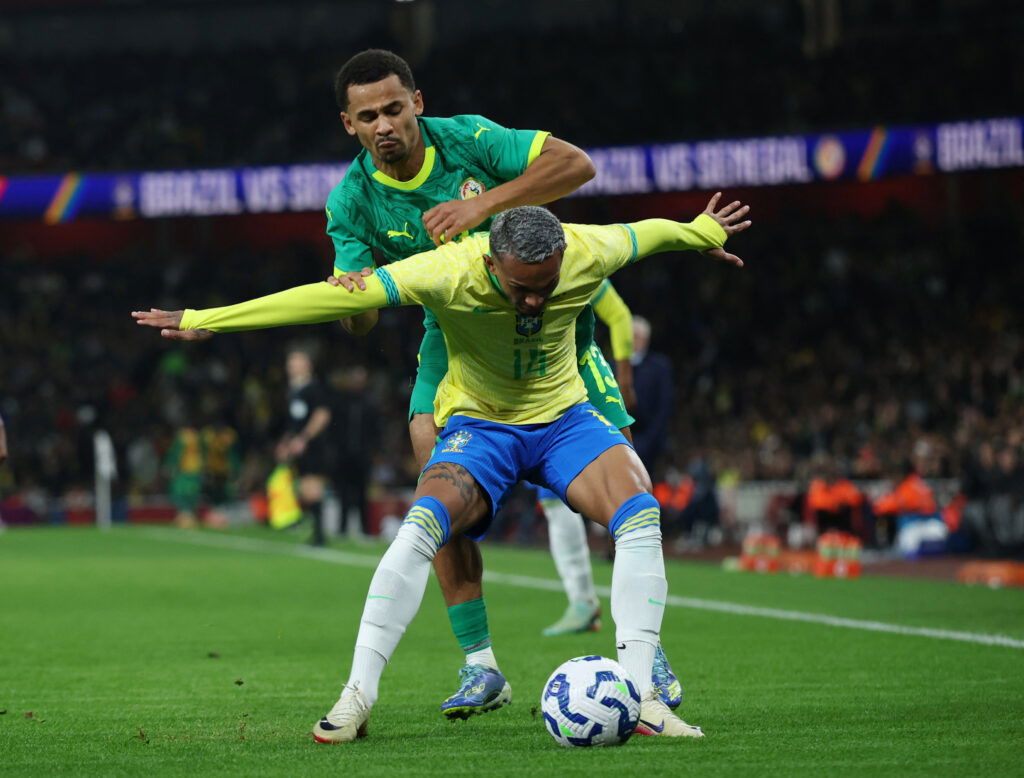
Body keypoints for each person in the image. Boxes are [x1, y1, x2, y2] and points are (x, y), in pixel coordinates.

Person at [133, 190, 751, 742]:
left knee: (640, 509)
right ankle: (357, 696)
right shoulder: (446, 270)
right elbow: (323, 301)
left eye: (547, 284)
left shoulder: (589, 249)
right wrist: (204, 319)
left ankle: (642, 698)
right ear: (490, 264)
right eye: (522, 288)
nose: (536, 299)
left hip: (565, 418)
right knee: (423, 525)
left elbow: (657, 231)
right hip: (480, 426)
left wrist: (703, 229)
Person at [320, 47, 682, 712]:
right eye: (368, 115)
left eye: (394, 108)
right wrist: (356, 308)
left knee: (624, 483)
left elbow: (576, 165)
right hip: (454, 340)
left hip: (555, 327)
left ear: (417, 103)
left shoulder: (469, 140)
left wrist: (484, 201)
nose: (385, 124)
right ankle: (480, 665)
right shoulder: (350, 201)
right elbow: (362, 318)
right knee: (438, 494)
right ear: (350, 124)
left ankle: (644, 648)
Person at [278, 346, 336, 547]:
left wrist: (304, 438)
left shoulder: (314, 389)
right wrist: (285, 443)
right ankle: (314, 532)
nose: (292, 367)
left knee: (312, 488)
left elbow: (322, 415)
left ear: (308, 366)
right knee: (303, 489)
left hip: (313, 446)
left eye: (297, 363)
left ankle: (319, 536)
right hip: (298, 446)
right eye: (290, 363)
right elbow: (293, 422)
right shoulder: (293, 390)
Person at [629, 315, 675, 473]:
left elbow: (665, 406)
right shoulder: (613, 364)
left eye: (635, 337)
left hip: (651, 441)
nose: (631, 341)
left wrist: (649, 441)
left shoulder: (659, 366)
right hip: (622, 436)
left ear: (645, 339)